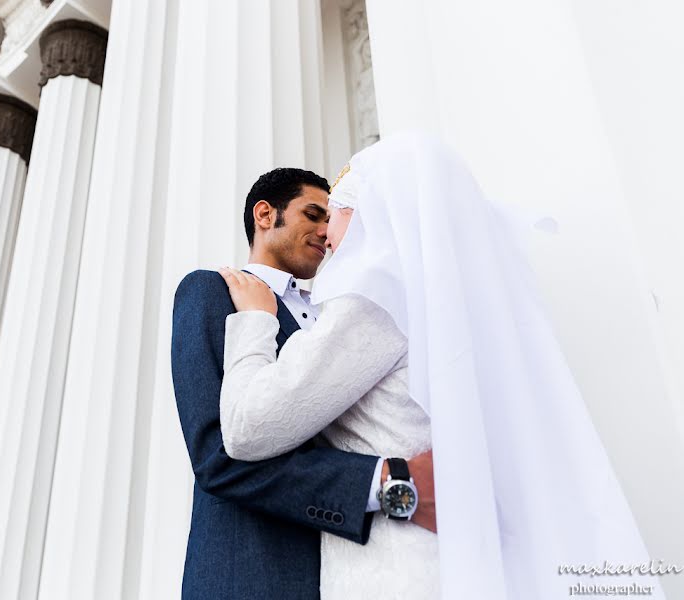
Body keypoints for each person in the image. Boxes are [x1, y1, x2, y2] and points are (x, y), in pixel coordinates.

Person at [217, 132, 663, 599]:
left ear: (385, 210)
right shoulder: (460, 303)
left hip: (399, 568)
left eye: (341, 209)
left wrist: (254, 320)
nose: (328, 232)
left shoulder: (375, 296)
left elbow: (250, 427)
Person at [170, 167, 437, 600]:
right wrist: (385, 482)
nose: (325, 229)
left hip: (362, 568)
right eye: (313, 214)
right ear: (264, 214)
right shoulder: (211, 290)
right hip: (257, 571)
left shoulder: (346, 305)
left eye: (330, 218)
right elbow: (218, 456)